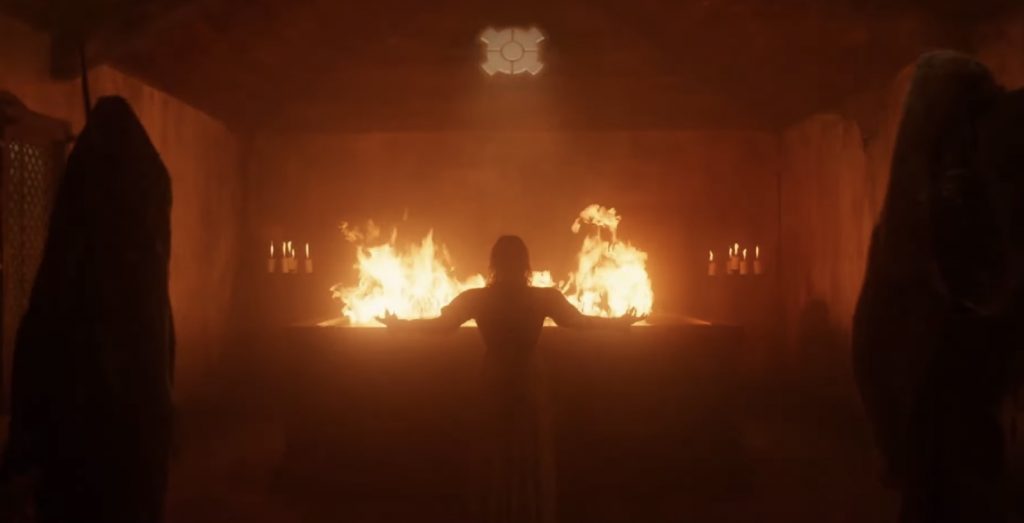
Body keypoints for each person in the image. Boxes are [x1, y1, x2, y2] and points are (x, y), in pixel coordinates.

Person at [378, 235, 643, 523]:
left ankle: (495, 512)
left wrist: (399, 325)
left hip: (495, 377)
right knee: (528, 447)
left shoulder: (477, 298)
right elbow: (580, 323)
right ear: (525, 264)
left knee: (495, 448)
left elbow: (440, 326)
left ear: (493, 264)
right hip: (528, 378)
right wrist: (618, 323)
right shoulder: (543, 298)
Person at [0, 96, 175, 523]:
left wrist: (23, 455)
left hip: (95, 439)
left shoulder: (82, 266)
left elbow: (42, 346)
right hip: (114, 440)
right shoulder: (144, 195)